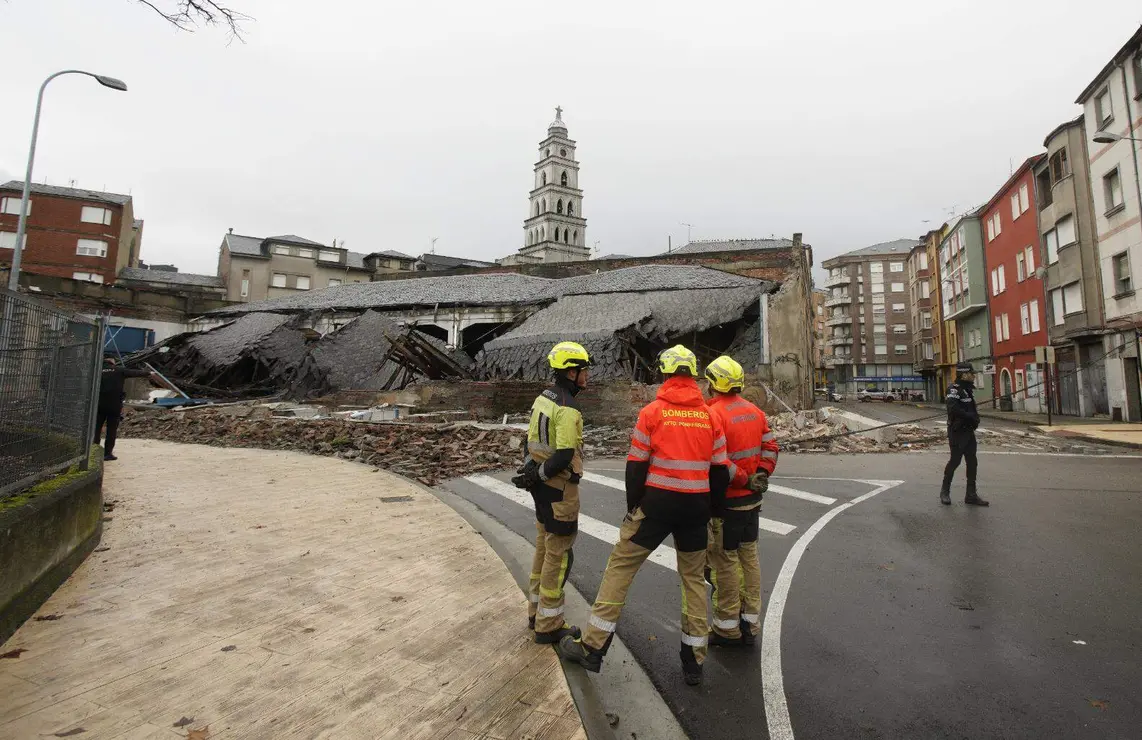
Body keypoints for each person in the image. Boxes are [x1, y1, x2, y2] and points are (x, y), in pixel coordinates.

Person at [558, 345, 729, 687]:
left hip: (656, 508)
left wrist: (633, 507)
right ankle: (694, 662)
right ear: (693, 376)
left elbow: (636, 466)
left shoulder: (652, 413)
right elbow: (720, 472)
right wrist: (711, 512)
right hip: (695, 510)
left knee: (620, 568)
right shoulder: (711, 417)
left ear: (665, 374)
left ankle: (592, 646)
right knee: (693, 581)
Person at [511, 341, 591, 644]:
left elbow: (530, 441)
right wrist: (541, 475)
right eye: (584, 370)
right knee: (559, 555)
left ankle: (535, 612)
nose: (587, 375)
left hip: (541, 488)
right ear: (571, 372)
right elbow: (564, 454)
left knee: (544, 548)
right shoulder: (568, 408)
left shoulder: (544, 397)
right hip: (559, 489)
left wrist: (531, 473)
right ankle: (549, 624)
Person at [702, 355, 778, 648]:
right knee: (750, 559)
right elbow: (770, 447)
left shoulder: (713, 414)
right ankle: (750, 622)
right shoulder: (755, 412)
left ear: (713, 384)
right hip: (752, 503)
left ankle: (727, 628)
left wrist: (744, 479)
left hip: (728, 504)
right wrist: (761, 474)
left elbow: (719, 462)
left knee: (726, 563)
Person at [940, 361, 988, 506]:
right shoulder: (953, 390)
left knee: (972, 462)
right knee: (955, 461)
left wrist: (975, 419)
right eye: (971, 373)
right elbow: (953, 408)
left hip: (968, 431)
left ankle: (971, 495)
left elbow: (971, 408)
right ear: (964, 374)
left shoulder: (967, 390)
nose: (974, 376)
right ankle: (945, 491)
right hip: (957, 431)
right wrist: (970, 416)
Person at [95, 356, 154, 461]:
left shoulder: (97, 371)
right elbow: (134, 373)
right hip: (114, 404)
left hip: (99, 404)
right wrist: (149, 373)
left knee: (96, 428)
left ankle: (93, 452)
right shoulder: (119, 370)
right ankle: (107, 454)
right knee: (111, 430)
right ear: (112, 362)